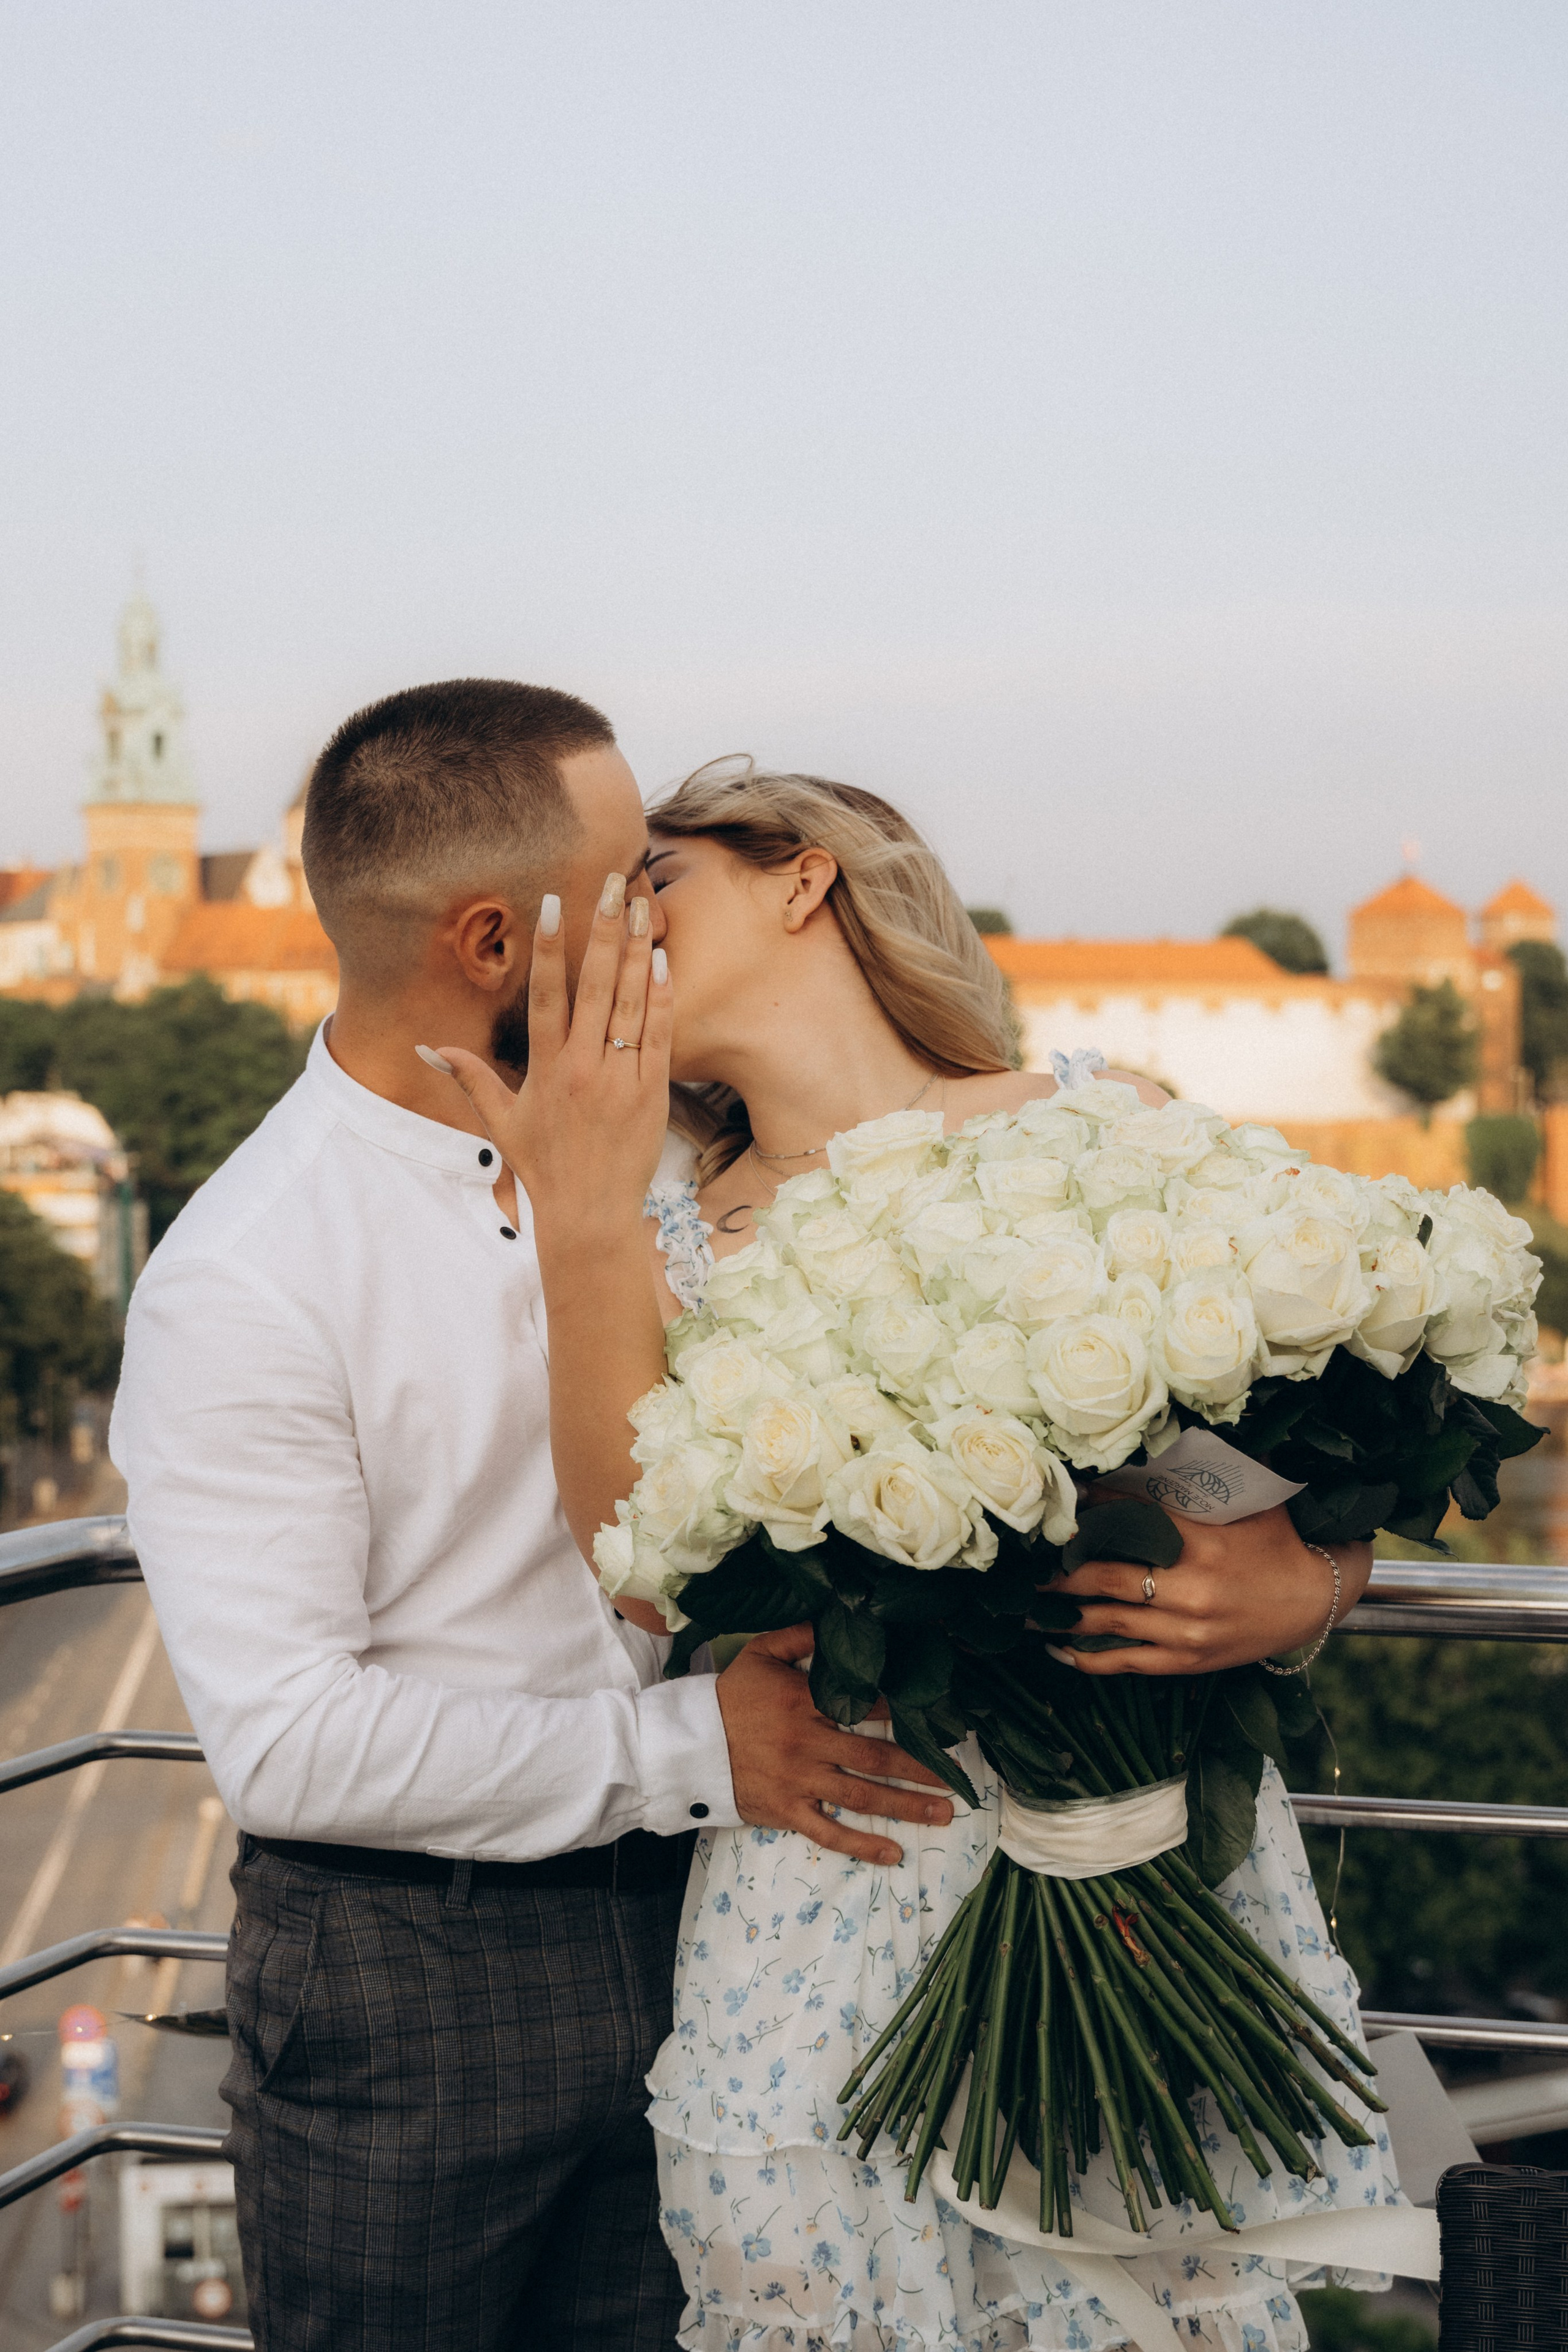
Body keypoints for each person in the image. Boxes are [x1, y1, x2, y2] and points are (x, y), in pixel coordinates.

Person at [440, 761, 1401, 2352]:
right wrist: (582, 1211)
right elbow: (642, 1571)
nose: (618, 933)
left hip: (1137, 1873)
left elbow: (1330, 1452)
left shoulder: (1117, 1129)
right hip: (831, 1882)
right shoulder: (651, 1236)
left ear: (805, 876)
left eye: (656, 882)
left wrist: (1311, 1592)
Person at [108, 687, 959, 2352]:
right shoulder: (247, 1275)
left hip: (734, 1932)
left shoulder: (702, 1159)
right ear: (494, 939)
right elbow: (287, 1743)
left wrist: (1298, 1565)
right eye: (627, 875)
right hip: (414, 1988)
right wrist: (693, 1751)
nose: (653, 912)